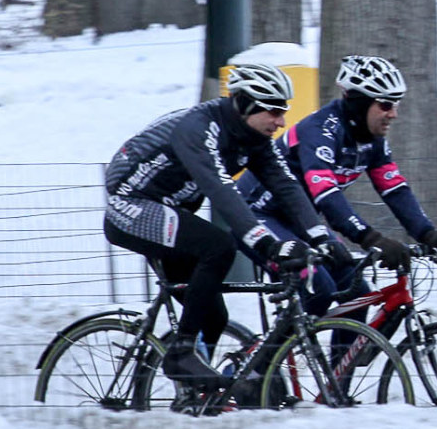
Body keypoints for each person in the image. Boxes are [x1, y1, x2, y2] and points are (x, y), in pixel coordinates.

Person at [102, 59, 325, 385]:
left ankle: (197, 392)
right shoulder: (199, 127)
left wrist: (322, 238)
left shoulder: (252, 138)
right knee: (218, 246)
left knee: (214, 317)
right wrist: (267, 244)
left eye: (283, 111)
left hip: (169, 209)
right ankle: (181, 353)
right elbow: (221, 190)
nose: (281, 121)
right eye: (274, 111)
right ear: (246, 105)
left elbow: (286, 186)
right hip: (130, 205)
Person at [234, 54, 437, 313]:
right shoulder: (320, 131)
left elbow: (395, 190)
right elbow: (326, 194)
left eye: (396, 104)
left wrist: (427, 233)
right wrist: (371, 238)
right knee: (319, 290)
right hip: (257, 215)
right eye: (386, 105)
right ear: (360, 103)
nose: (393, 114)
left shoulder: (372, 141)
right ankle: (282, 340)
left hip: (301, 222)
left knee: (357, 297)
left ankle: (335, 343)